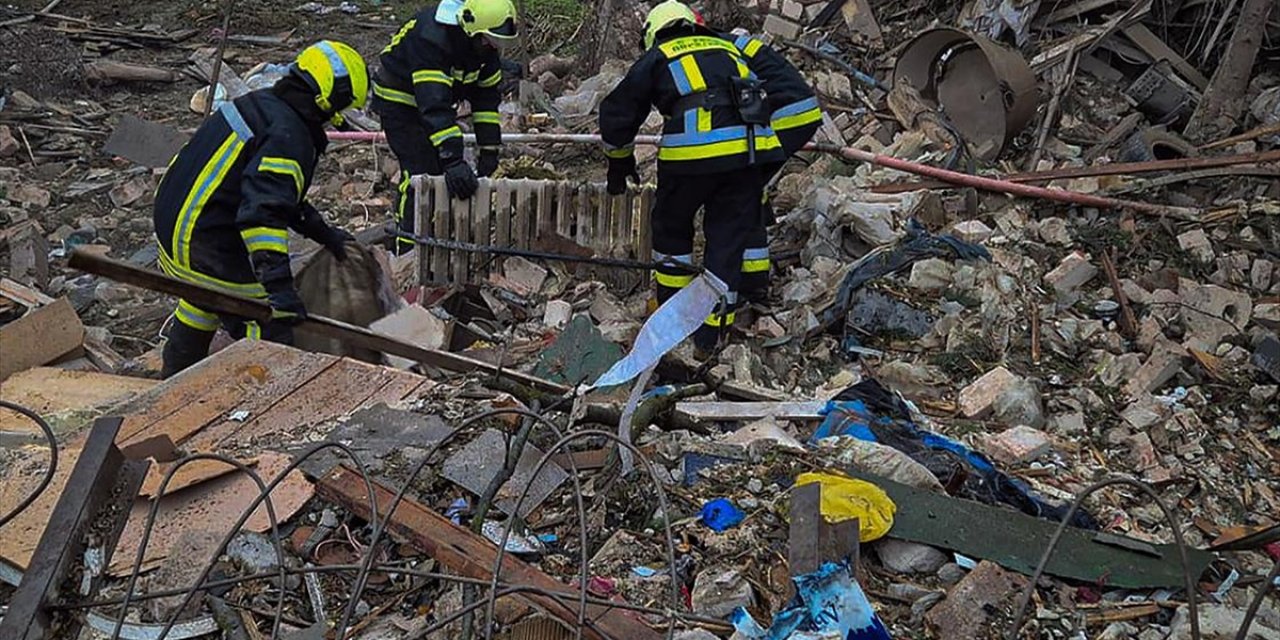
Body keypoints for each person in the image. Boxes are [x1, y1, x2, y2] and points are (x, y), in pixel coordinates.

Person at [598, 0, 820, 354]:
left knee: (671, 228)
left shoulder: (659, 55)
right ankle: (711, 336)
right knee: (726, 241)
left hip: (689, 160)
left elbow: (617, 113)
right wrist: (768, 154)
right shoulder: (728, 46)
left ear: (654, 33)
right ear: (693, 24)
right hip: (744, 158)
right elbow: (789, 93)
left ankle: (672, 313)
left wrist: (618, 162)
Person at [153, 40, 368, 377]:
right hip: (201, 243)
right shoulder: (289, 135)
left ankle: (173, 377)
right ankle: (260, 401)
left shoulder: (261, 105)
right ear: (328, 100)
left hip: (174, 226)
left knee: (202, 299)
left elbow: (276, 196)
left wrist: (323, 233)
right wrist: (279, 290)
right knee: (262, 314)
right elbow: (262, 215)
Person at [374, 0, 519, 253]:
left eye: (497, 43)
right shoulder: (432, 39)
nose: (493, 47)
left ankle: (438, 237)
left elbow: (486, 102)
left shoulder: (485, 50)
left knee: (445, 172)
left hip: (436, 100)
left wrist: (489, 150)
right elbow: (434, 104)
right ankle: (406, 246)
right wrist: (452, 158)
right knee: (419, 171)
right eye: (488, 41)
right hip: (399, 101)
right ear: (470, 30)